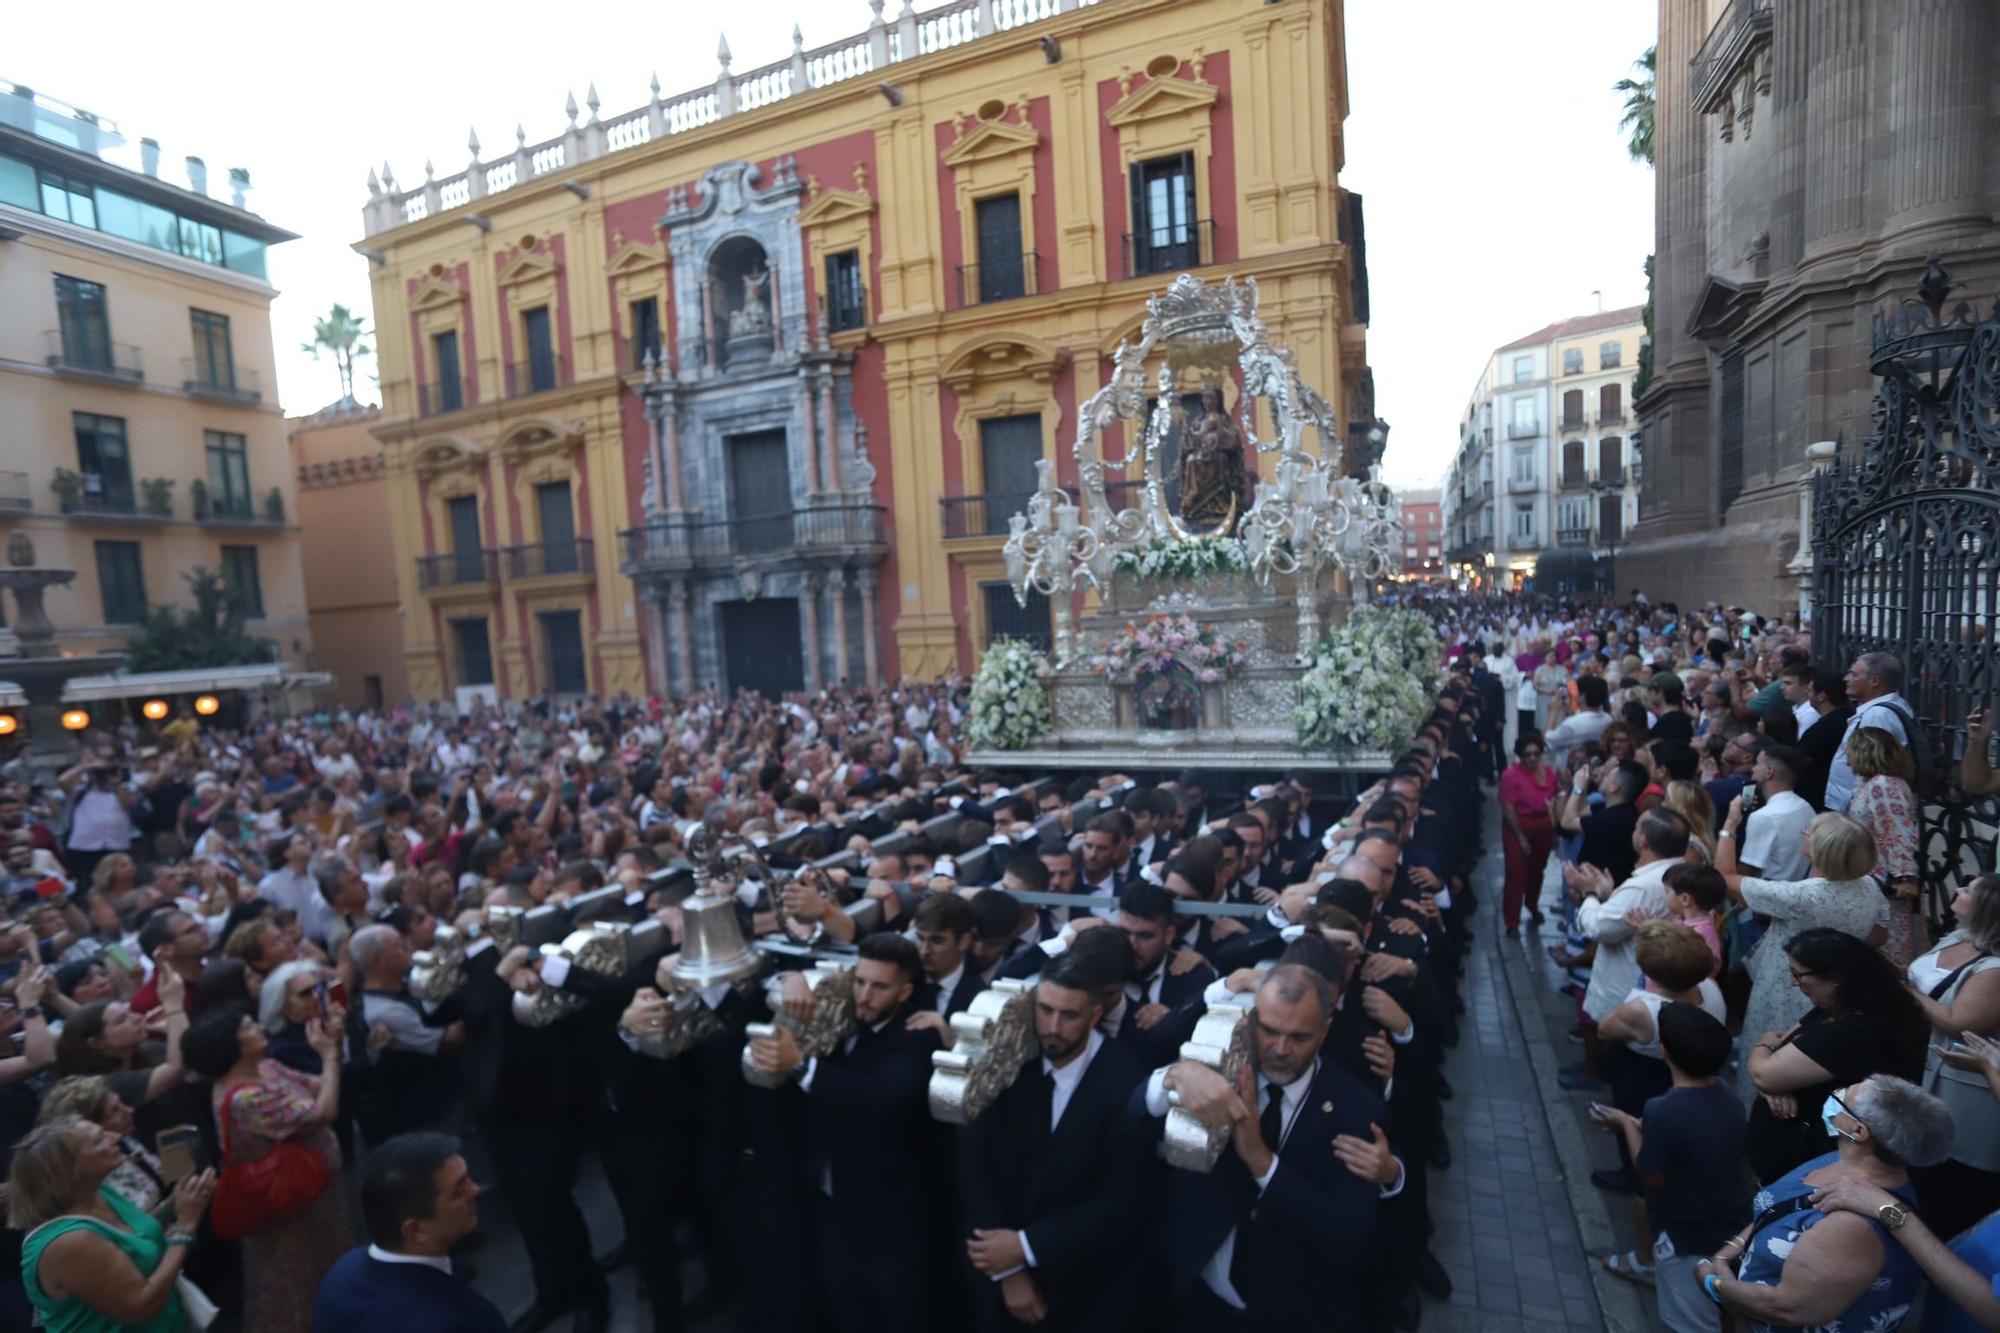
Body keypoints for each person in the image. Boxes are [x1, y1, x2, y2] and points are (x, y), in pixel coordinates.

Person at [1143, 963, 1388, 1327]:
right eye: (1269, 1030)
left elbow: (1347, 1236)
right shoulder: (1218, 1069)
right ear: (1252, 1019)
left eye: (1299, 1037)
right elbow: (1134, 1112)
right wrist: (1172, 1076)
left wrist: (1261, 1162)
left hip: (1291, 1312)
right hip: (1195, 1299)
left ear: (1325, 1030)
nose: (1280, 1049)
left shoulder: (1355, 1109)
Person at [746, 933, 943, 1333]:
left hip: (890, 1222)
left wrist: (801, 1064)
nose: (865, 995)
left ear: (905, 991)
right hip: (831, 1208)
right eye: (860, 981)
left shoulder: (916, 1035)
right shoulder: (841, 1018)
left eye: (879, 986)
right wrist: (791, 977)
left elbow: (879, 1096)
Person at [956, 956, 1149, 1330]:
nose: (1053, 1027)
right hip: (997, 1276)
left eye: (1068, 1015)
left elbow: (1121, 1202)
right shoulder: (1010, 1060)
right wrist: (1008, 1268)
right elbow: (973, 1162)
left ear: (1094, 1016)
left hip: (1084, 1288)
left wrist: (1027, 1246)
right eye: (1044, 1010)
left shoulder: (1125, 1084)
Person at [1697, 1075, 1954, 1331]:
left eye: (1844, 1096)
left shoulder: (1851, 1228)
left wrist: (1714, 1283)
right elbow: (1778, 1209)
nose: (1836, 1095)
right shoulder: (1841, 1159)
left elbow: (1787, 1309)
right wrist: (1730, 1251)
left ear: (1858, 1131)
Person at [182, 1003, 351, 1333]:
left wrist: (330, 1051)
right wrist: (329, 1056)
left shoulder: (268, 1067)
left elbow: (318, 1086)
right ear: (231, 1046)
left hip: (314, 1195)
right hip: (290, 1208)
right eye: (247, 1027)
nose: (258, 1027)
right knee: (297, 1283)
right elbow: (324, 1109)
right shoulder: (247, 1098)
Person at [1587, 1003, 1747, 1332]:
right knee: (1723, 1311)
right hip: (1730, 1228)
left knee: (1692, 1322)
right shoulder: (1728, 1096)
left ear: (1664, 1051)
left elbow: (1651, 1175)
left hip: (1686, 1237)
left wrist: (1627, 1125)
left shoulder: (1661, 1110)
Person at [1744, 930, 1928, 1185]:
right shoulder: (1842, 1007)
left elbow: (1764, 1071)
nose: (1793, 983)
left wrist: (1762, 1047)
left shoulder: (1850, 1030)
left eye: (1798, 974)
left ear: (1835, 978)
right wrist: (1773, 1080)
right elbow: (1782, 1048)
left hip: (1812, 1163)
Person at [9, 1115, 217, 1333]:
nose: (115, 1137)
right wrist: (186, 1225)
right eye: (99, 1140)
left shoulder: (96, 1191)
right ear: (73, 1170)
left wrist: (177, 1202)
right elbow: (141, 1305)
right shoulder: (69, 1241)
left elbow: (131, 1237)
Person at [1718, 808, 1888, 1049]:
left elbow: (1724, 877)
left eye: (1809, 832)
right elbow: (1880, 934)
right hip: (1839, 984)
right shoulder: (1869, 885)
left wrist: (1729, 825)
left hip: (1788, 987)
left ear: (1822, 850)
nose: (1805, 832)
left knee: (1774, 1050)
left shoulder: (1801, 896)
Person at [310, 1132, 507, 1333]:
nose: (475, 1190)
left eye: (468, 1179)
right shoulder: (453, 1322)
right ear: (416, 1229)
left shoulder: (342, 1273)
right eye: (458, 1191)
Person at [1561, 809, 1691, 1090]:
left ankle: (1599, 1077)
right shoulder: (1672, 872)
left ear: (1643, 840)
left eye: (1636, 828)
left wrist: (1589, 894)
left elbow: (1600, 927)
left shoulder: (1643, 885)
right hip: (1645, 976)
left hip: (1629, 977)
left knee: (1623, 1050)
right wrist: (1610, 894)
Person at [1904, 874, 2000, 1242]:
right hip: (1926, 1068)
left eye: (1968, 891)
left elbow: (1959, 1022)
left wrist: (1905, 990)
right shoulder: (1958, 936)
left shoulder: (1993, 970)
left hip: (1966, 1089)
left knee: (1956, 1187)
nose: (1957, 890)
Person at [35, 1076, 171, 1218]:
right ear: (87, 1127)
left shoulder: (124, 1140)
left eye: (121, 1104)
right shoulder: (89, 1183)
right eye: (115, 1110)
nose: (129, 1111)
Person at [1845, 726, 1925, 966]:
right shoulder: (1869, 782)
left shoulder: (1885, 785)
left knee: (1891, 946)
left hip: (1885, 881)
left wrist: (1905, 876)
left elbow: (1898, 829)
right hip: (1870, 877)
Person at [1825, 651, 1915, 814]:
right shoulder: (1878, 710)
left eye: (1853, 674)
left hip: (1862, 806)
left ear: (1874, 681)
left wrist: (1857, 803)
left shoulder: (1879, 715)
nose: (1846, 679)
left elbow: (1875, 765)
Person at [1498, 733, 1560, 935]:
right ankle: (1512, 921)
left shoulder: (1550, 774)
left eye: (1536, 754)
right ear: (1520, 756)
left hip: (1543, 828)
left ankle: (1532, 904)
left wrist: (1554, 831)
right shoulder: (1511, 776)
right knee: (1516, 874)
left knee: (1536, 871)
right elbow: (1508, 808)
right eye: (1527, 754)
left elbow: (1555, 802)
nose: (1532, 758)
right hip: (1519, 826)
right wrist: (1520, 837)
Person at [1738, 745, 1815, 882]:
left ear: (1769, 772)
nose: (1752, 768)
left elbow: (1745, 876)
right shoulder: (1807, 808)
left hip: (1766, 897)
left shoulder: (1764, 817)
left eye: (1757, 763)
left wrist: (1730, 825)